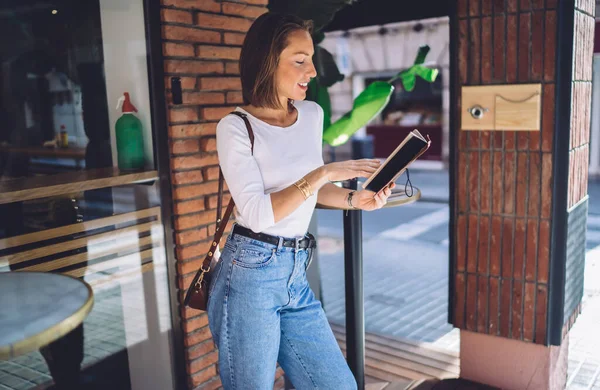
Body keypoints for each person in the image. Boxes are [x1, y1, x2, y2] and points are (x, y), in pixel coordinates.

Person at [208, 12, 395, 390]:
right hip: (250, 273)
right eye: (299, 60)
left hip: (296, 270)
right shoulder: (235, 127)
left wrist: (355, 199)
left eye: (311, 58)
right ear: (267, 62)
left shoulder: (311, 114)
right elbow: (260, 213)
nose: (312, 70)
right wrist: (323, 173)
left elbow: (312, 194)